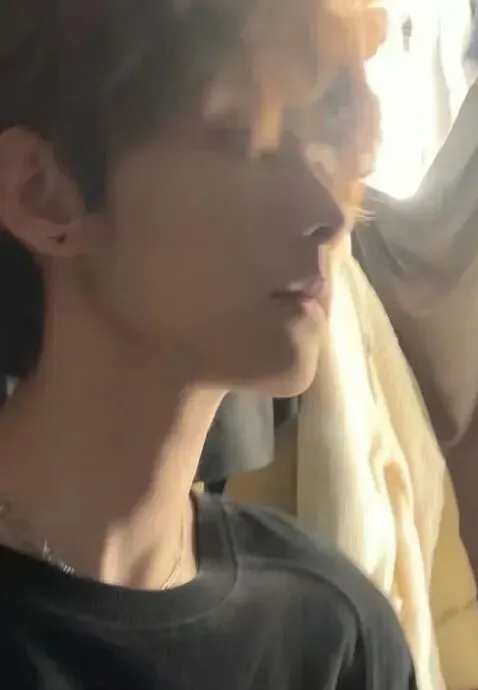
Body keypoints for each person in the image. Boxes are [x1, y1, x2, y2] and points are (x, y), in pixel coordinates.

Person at [0, 1, 415, 689]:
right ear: (43, 194)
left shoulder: (331, 635)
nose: (325, 213)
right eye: (245, 142)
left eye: (322, 154)